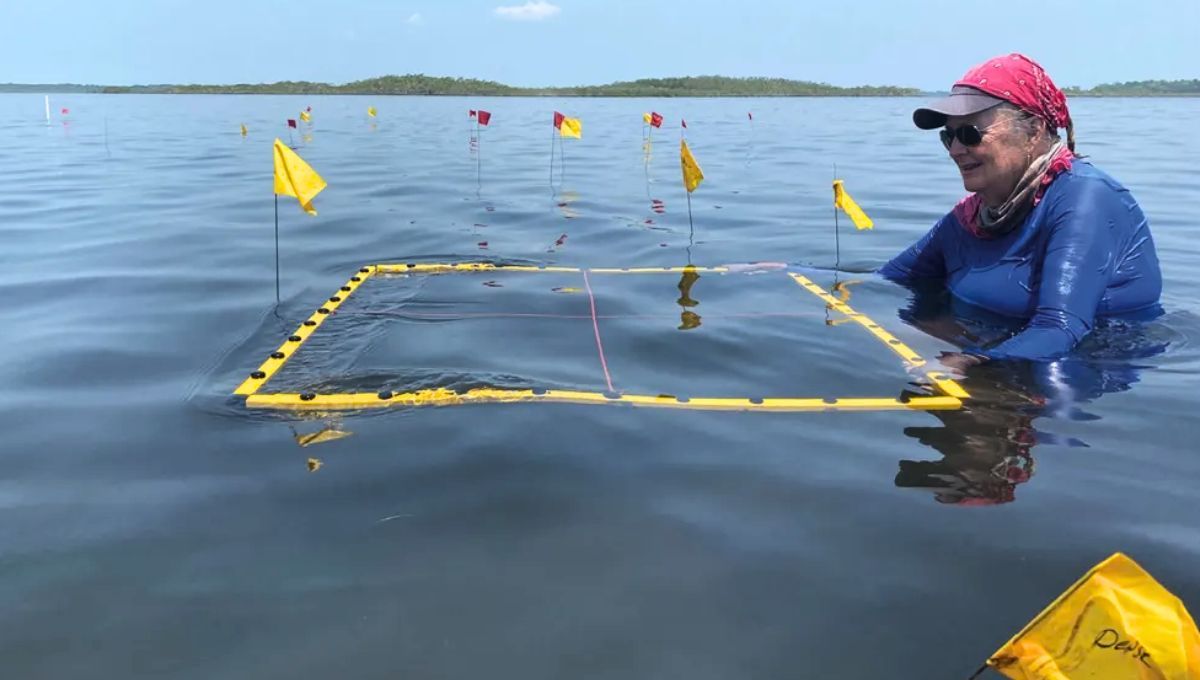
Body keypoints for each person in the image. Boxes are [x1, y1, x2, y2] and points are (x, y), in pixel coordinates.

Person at [880, 54, 1162, 364]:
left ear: (1034, 131)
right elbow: (888, 279)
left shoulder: (1085, 200)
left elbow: (1060, 329)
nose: (957, 150)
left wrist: (971, 365)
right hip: (991, 348)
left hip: (1079, 370)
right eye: (949, 137)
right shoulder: (973, 216)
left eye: (970, 134)